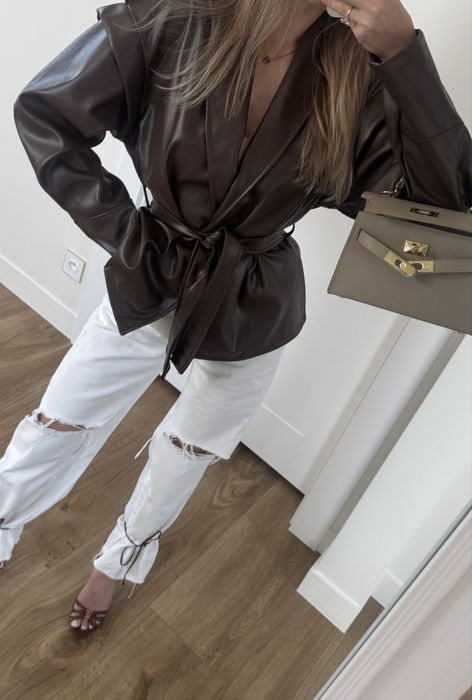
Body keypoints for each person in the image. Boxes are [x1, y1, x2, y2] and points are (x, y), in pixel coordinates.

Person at [2, 0, 471, 633]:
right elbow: (46, 113)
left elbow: (445, 222)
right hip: (151, 271)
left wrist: (403, 53)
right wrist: (128, 235)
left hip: (255, 300)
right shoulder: (182, 15)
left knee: (187, 451)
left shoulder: (358, 76)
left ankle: (118, 562)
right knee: (60, 418)